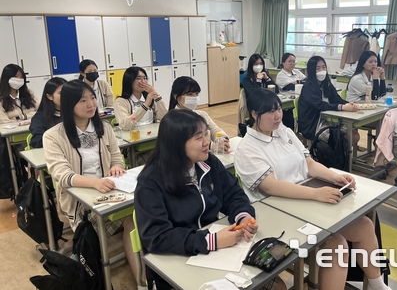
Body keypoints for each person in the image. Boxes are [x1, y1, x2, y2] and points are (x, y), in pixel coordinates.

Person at [235, 88, 391, 290]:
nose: (277, 115)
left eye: (279, 109)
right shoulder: (248, 147)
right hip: (279, 212)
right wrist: (317, 194)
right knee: (337, 246)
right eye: (270, 112)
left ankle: (377, 285)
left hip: (306, 202)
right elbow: (271, 187)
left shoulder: (284, 131)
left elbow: (309, 163)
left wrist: (336, 177)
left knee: (365, 226)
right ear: (254, 114)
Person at [134, 109, 260, 290]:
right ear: (177, 144)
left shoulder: (208, 163)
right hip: (176, 265)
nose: (207, 142)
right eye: (198, 137)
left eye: (206, 134)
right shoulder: (151, 182)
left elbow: (233, 194)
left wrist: (244, 217)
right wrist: (211, 240)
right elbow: (157, 236)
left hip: (217, 255)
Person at [43, 80, 138, 279]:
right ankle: (93, 262)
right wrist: (95, 182)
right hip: (81, 202)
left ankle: (141, 280)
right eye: (82, 100)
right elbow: (62, 174)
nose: (91, 104)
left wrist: (116, 167)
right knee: (131, 217)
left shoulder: (103, 127)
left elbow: (116, 157)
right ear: (69, 104)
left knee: (136, 214)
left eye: (93, 97)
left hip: (110, 190)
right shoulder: (53, 136)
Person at [298, 56, 359, 142]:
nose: (321, 71)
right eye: (317, 68)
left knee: (354, 135)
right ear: (311, 71)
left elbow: (336, 98)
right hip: (313, 124)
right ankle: (330, 154)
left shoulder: (327, 83)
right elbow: (320, 105)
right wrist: (342, 107)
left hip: (329, 119)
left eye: (323, 67)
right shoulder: (308, 87)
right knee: (338, 139)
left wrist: (348, 104)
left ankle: (339, 153)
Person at [169, 76, 230, 153]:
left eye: (196, 94)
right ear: (176, 96)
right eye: (190, 94)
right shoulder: (172, 120)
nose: (194, 97)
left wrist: (222, 139)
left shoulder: (201, 114)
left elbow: (215, 130)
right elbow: (184, 144)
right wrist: (211, 146)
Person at [29, 77, 67, 148]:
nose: (65, 96)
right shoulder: (39, 118)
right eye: (61, 93)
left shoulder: (75, 113)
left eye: (68, 92)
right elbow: (37, 141)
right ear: (49, 96)